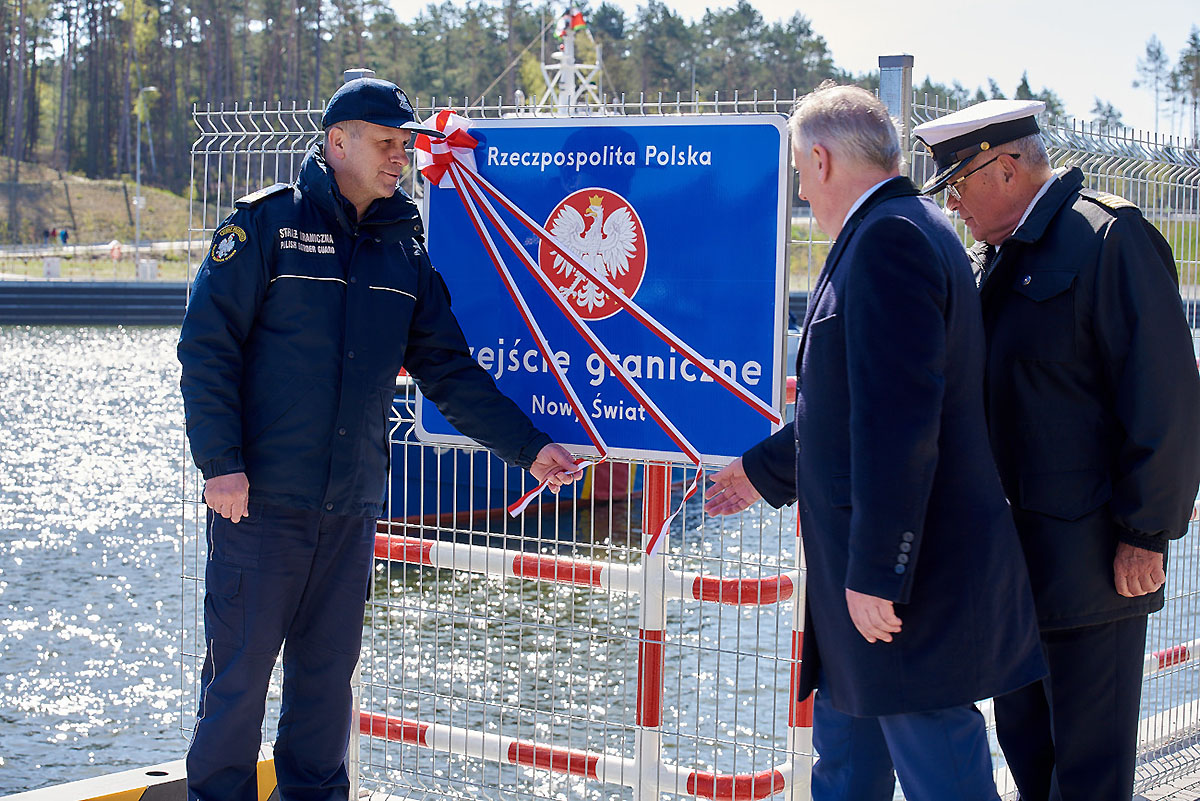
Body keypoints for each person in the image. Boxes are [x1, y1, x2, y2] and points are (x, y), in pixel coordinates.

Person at [178, 77, 580, 801]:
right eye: (387, 143)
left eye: (407, 145)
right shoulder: (268, 226)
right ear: (339, 143)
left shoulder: (403, 251)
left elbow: (448, 370)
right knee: (237, 685)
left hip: (349, 509)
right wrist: (221, 464)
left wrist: (528, 446)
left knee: (326, 689)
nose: (401, 157)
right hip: (261, 505)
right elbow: (208, 348)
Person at [704, 83, 1045, 801]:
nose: (802, 190)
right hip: (861, 593)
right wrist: (762, 472)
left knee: (941, 773)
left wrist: (879, 571)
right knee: (847, 770)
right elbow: (848, 409)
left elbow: (900, 422)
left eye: (800, 172)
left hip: (897, 590)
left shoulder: (890, 239)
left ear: (822, 160)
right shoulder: (900, 228)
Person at [914, 100, 1200, 801]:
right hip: (1010, 570)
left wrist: (1145, 534)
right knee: (1029, 761)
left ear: (1008, 167)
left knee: (1089, 775)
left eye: (959, 182)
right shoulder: (993, 258)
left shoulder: (1107, 239)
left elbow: (1165, 399)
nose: (952, 203)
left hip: (1094, 568)